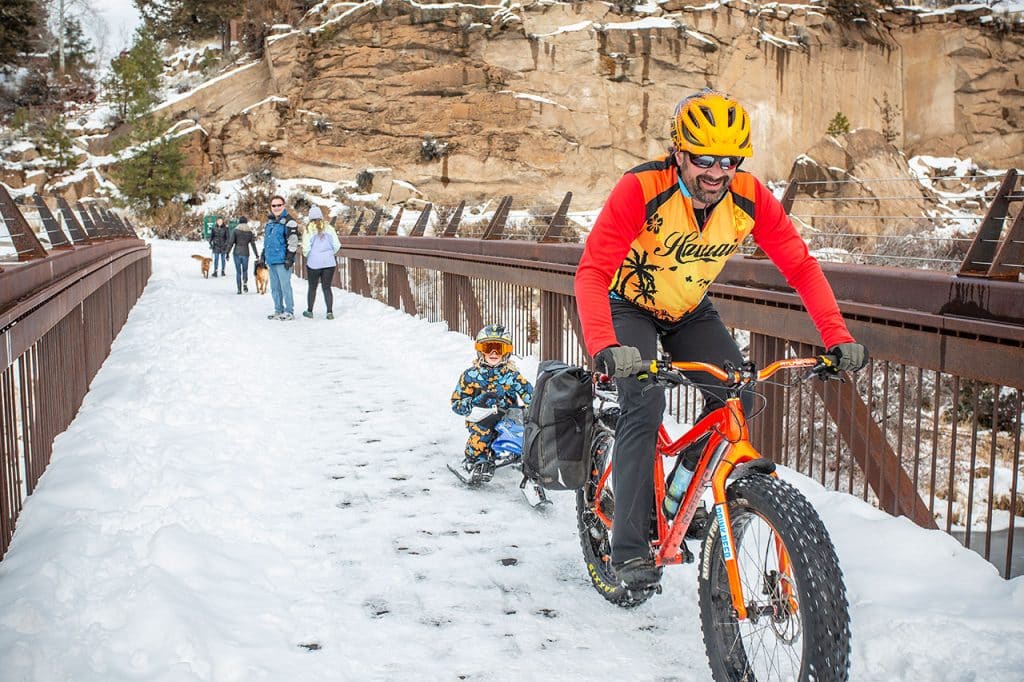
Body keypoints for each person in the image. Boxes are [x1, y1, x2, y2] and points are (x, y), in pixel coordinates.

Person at [573, 89, 868, 591]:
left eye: (728, 160)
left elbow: (799, 266)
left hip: (688, 309)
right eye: (703, 158)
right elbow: (592, 270)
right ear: (679, 152)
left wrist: (836, 336)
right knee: (645, 402)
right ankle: (627, 549)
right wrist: (605, 344)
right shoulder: (642, 189)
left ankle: (674, 499)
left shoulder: (750, 197)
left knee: (740, 396)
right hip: (627, 305)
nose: (716, 171)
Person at [450, 324, 533, 482]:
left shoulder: (512, 376)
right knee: (483, 437)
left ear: (507, 351)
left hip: (507, 417)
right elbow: (456, 403)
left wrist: (536, 409)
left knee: (525, 435)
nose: (494, 353)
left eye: (499, 349)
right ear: (481, 350)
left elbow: (530, 395)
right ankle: (474, 459)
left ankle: (519, 456)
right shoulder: (470, 376)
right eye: (489, 348)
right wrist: (475, 402)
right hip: (482, 418)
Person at [260, 195, 299, 320]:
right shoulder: (270, 222)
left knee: (285, 286)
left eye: (279, 205)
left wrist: (290, 257)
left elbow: (293, 242)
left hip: (283, 260)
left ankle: (289, 311)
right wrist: (263, 255)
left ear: (283, 206)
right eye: (273, 205)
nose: (276, 208)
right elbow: (267, 241)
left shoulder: (289, 222)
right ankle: (278, 309)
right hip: (271, 260)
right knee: (275, 287)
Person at [301, 205, 341, 319]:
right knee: (327, 287)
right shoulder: (329, 228)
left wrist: (309, 255)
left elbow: (305, 248)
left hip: (314, 263)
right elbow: (337, 245)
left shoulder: (308, 229)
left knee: (312, 287)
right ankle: (329, 312)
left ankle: (309, 311)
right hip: (329, 262)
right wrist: (329, 253)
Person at [227, 216, 260, 294]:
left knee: (238, 272)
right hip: (245, 253)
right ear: (246, 222)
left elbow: (230, 243)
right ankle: (245, 283)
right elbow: (253, 244)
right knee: (245, 270)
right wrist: (256, 254)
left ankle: (239, 289)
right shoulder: (249, 232)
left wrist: (227, 253)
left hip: (236, 253)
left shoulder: (235, 231)